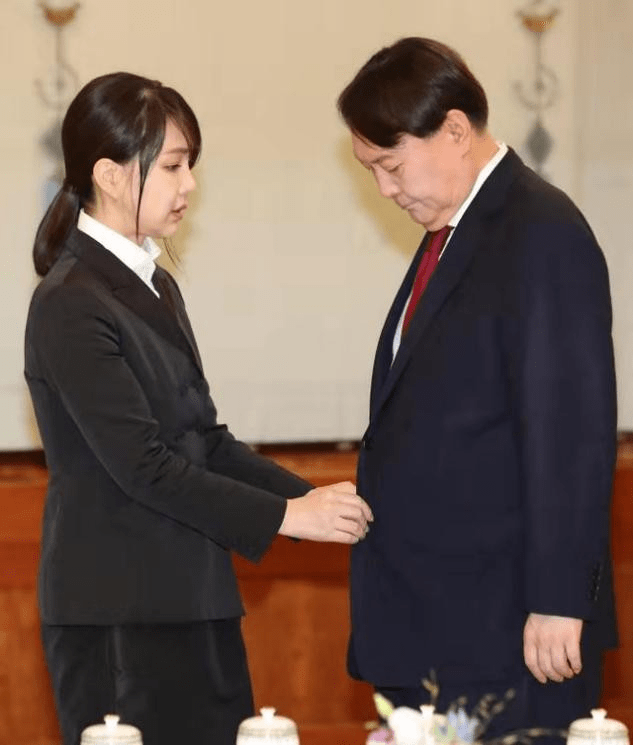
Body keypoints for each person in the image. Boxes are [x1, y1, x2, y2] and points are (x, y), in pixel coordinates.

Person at [24, 71, 372, 745]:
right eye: (174, 166)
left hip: (193, 597)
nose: (189, 184)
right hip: (120, 614)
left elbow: (204, 441)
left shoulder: (155, 283)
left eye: (191, 165)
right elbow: (143, 466)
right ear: (111, 175)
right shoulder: (71, 300)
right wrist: (288, 516)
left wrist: (310, 502)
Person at [337, 38, 617, 738]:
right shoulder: (453, 234)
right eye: (370, 171)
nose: (385, 190)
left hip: (511, 626)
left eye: (391, 165)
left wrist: (561, 597)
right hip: (438, 619)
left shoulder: (539, 229)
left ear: (455, 130)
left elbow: (572, 430)